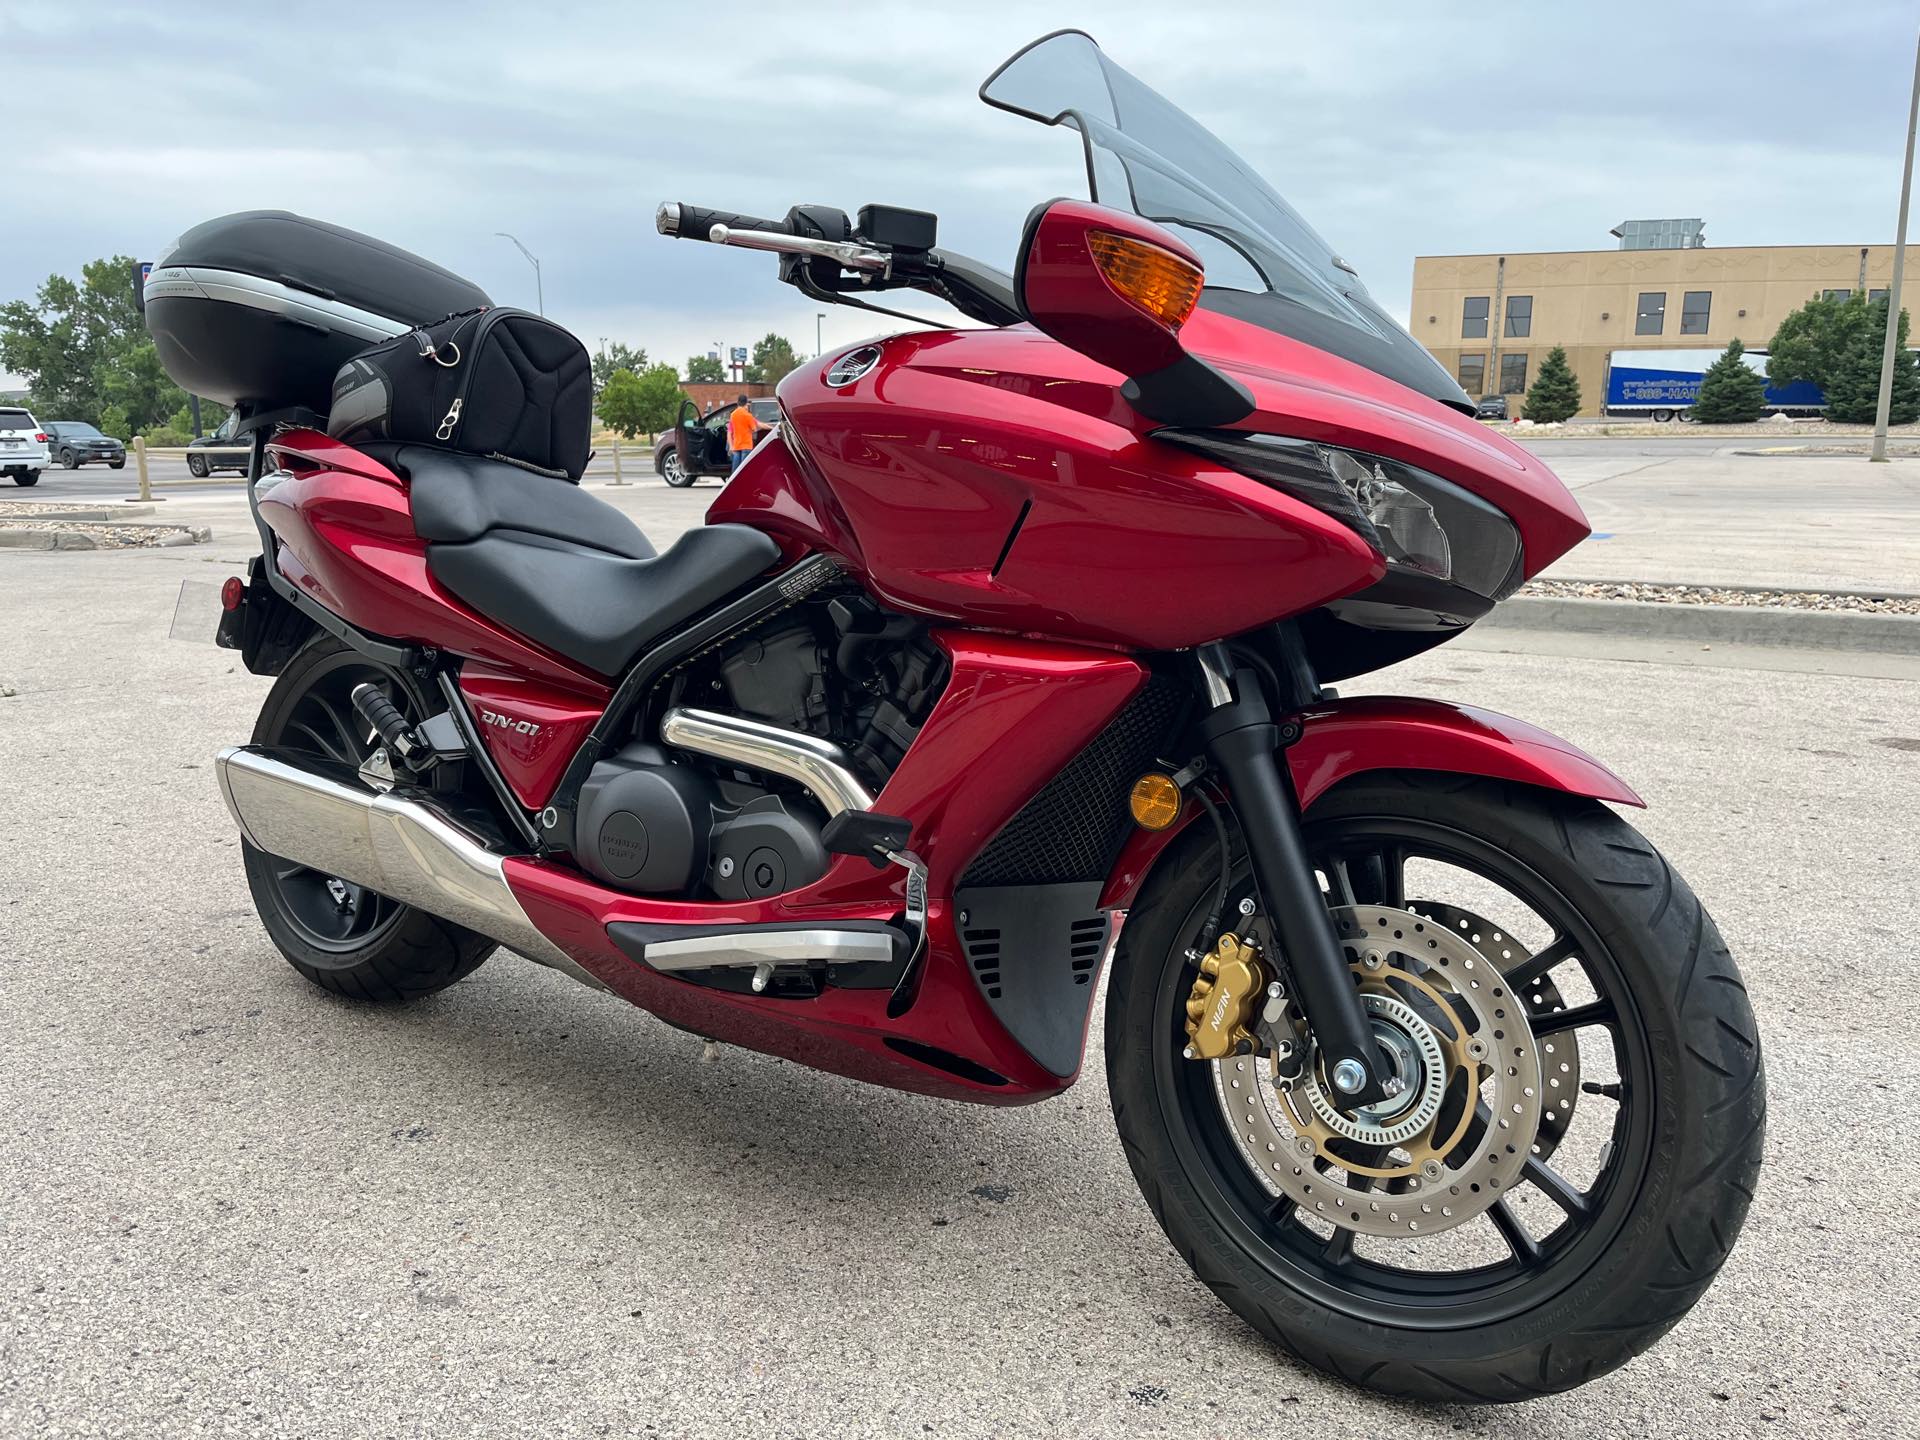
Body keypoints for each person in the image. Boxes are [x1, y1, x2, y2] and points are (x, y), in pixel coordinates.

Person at [727, 394, 759, 472]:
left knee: (735, 470)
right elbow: (754, 429)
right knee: (744, 469)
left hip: (737, 445)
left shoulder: (733, 415)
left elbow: (730, 431)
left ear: (738, 402)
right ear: (746, 403)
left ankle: (734, 482)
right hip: (746, 445)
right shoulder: (748, 415)